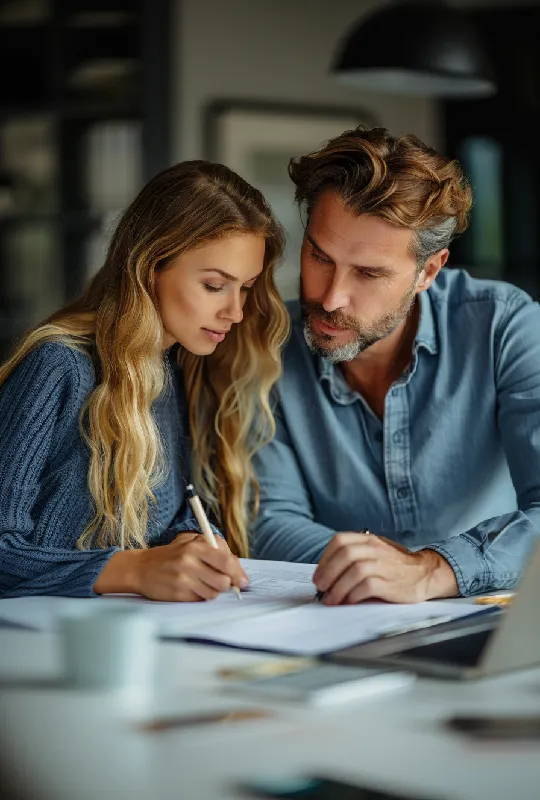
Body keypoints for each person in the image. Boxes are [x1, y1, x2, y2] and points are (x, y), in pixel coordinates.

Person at [252, 126, 540, 604]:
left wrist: (430, 571)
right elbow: (269, 519)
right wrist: (379, 574)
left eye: (368, 273)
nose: (330, 296)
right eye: (319, 257)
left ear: (429, 270)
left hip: (486, 608)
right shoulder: (264, 346)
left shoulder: (506, 328)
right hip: (337, 615)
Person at [0, 160, 289, 600]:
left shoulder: (172, 368)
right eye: (215, 285)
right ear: (150, 266)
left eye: (246, 287)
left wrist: (188, 543)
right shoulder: (58, 367)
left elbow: (168, 515)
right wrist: (133, 569)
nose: (236, 311)